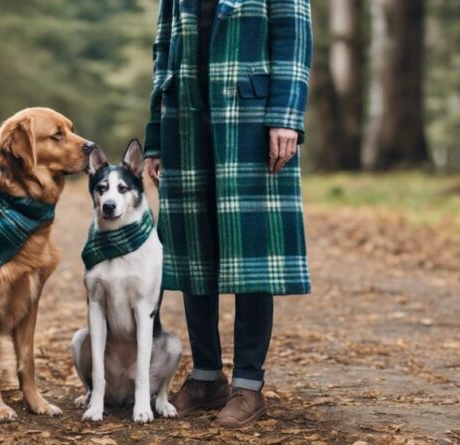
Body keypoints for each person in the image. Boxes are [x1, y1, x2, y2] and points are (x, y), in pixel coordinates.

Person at [143, 0, 312, 429]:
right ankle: (205, 378)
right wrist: (156, 136)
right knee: (194, 247)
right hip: (185, 118)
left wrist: (286, 117)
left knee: (250, 252)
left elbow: (294, 39)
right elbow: (163, 52)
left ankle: (248, 386)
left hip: (252, 119)